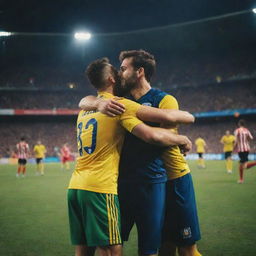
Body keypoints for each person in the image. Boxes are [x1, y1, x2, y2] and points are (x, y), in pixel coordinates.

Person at [68, 58, 194, 256]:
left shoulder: (86, 109)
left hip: (75, 186)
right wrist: (183, 133)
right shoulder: (119, 105)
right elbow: (153, 132)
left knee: (83, 249)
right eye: (117, 72)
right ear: (111, 79)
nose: (120, 74)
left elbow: (84, 100)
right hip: (100, 186)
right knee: (111, 249)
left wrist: (94, 101)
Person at [234, 119, 256, 184]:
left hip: (241, 149)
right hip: (247, 148)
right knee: (242, 164)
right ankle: (241, 179)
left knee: (244, 166)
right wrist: (246, 141)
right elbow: (250, 138)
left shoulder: (237, 131)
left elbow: (236, 141)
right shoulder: (247, 130)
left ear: (239, 124)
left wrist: (233, 148)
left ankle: (241, 179)